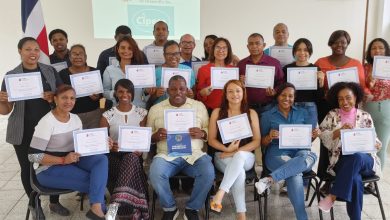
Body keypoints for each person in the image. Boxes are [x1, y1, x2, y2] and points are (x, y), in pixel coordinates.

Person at [0, 37, 66, 219]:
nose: (33, 53)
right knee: (27, 167)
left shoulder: (49, 71)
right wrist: (1, 100)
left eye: (36, 49)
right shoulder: (11, 76)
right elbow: (5, 111)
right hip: (23, 130)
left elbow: (64, 96)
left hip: (50, 129)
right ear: (20, 51)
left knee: (51, 164)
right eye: (28, 49)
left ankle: (54, 202)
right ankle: (34, 204)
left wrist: (53, 97)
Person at [28, 85, 109, 220]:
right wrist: (62, 160)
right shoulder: (47, 123)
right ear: (55, 99)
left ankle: (97, 210)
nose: (68, 101)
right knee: (96, 182)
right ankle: (100, 211)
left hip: (72, 160)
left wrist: (103, 143)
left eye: (72, 98)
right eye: (64, 98)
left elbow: (81, 145)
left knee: (101, 160)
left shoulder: (76, 119)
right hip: (48, 169)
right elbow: (33, 156)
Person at [147, 75, 215, 220]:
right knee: (155, 173)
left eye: (181, 89)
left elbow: (209, 130)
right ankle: (170, 208)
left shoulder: (198, 106)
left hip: (194, 154)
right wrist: (156, 136)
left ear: (187, 90)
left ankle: (192, 208)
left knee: (208, 173)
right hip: (167, 155)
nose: (178, 92)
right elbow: (147, 136)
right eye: (173, 89)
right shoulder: (156, 109)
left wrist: (202, 133)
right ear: (167, 90)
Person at [255, 83, 319, 220]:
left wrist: (313, 136)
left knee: (310, 155)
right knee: (294, 174)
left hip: (301, 152)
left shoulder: (303, 113)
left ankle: (269, 180)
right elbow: (261, 142)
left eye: (290, 96)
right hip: (276, 154)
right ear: (277, 96)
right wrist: (269, 137)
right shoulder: (267, 116)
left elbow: (309, 141)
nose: (287, 98)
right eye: (283, 95)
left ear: (294, 98)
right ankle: (302, 218)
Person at [318, 82, 381, 220]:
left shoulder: (365, 116)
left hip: (365, 161)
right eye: (340, 99)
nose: (344, 102)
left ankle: (333, 195)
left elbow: (376, 140)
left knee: (357, 157)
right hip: (341, 162)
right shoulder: (332, 115)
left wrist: (376, 144)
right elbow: (324, 139)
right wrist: (338, 132)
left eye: (348, 98)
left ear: (356, 98)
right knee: (355, 179)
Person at [208, 80, 260, 220]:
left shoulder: (251, 113)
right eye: (230, 91)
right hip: (222, 155)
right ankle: (241, 214)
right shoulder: (217, 112)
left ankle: (220, 193)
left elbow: (257, 141)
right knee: (240, 172)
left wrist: (233, 152)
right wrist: (226, 148)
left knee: (240, 156)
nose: (234, 94)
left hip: (246, 156)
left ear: (243, 93)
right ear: (225, 94)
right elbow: (211, 139)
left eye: (238, 90)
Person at [101, 79, 149, 219]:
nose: (124, 94)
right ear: (115, 93)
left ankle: (115, 204)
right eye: (121, 91)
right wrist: (110, 146)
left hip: (135, 155)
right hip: (115, 157)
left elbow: (145, 140)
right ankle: (129, 207)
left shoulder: (142, 113)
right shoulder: (107, 115)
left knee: (132, 157)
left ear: (133, 94)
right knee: (129, 159)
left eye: (128, 91)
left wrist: (141, 150)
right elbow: (102, 143)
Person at [315, 30, 370, 122]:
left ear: (347, 44)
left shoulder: (356, 64)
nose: (339, 45)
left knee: (348, 132)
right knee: (326, 133)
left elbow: (362, 86)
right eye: (335, 42)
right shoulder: (320, 62)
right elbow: (315, 86)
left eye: (343, 42)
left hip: (348, 105)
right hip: (326, 105)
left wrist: (368, 93)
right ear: (330, 44)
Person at [237, 33, 284, 116]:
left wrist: (275, 91)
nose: (254, 46)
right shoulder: (241, 64)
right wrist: (239, 82)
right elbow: (234, 85)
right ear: (247, 47)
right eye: (251, 44)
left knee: (266, 129)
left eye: (257, 43)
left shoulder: (274, 63)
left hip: (268, 107)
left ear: (264, 45)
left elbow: (281, 82)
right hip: (247, 107)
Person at [282, 38, 325, 128]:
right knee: (292, 133)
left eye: (305, 50)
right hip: (291, 106)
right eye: (299, 49)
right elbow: (282, 90)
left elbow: (319, 96)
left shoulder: (316, 69)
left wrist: (321, 83)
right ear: (294, 52)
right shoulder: (286, 69)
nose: (302, 53)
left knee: (309, 136)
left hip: (310, 107)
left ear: (310, 52)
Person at [59, 44, 102, 129]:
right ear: (70, 57)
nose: (78, 56)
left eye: (80, 53)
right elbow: (60, 95)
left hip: (94, 115)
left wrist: (97, 96)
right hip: (72, 115)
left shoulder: (95, 72)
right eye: (74, 54)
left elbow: (101, 94)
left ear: (85, 57)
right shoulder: (62, 74)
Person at [363, 38, 390, 170]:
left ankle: (376, 181)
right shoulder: (365, 67)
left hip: (385, 108)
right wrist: (368, 89)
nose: (377, 50)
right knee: (365, 145)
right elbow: (360, 85)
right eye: (374, 48)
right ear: (369, 51)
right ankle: (367, 175)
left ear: (386, 50)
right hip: (366, 109)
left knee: (381, 145)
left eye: (381, 47)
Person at [103, 35, 149, 109]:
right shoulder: (109, 70)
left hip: (139, 110)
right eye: (123, 48)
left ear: (134, 50)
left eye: (130, 48)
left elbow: (145, 94)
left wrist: (147, 92)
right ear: (118, 49)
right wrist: (114, 94)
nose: (126, 51)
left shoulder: (141, 70)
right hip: (117, 111)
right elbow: (105, 92)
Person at [147, 40, 195, 107]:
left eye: (176, 53)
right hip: (161, 109)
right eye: (169, 54)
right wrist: (156, 94)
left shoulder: (188, 70)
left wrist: (191, 95)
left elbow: (193, 96)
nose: (173, 56)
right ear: (164, 55)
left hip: (184, 110)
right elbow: (148, 100)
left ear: (180, 54)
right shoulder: (155, 72)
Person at [197, 37, 234, 114]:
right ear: (213, 50)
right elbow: (198, 95)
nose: (221, 50)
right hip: (211, 110)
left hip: (231, 110)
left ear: (228, 51)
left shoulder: (233, 70)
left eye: (224, 48)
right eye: (218, 47)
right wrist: (202, 93)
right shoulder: (203, 70)